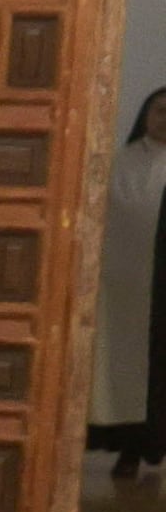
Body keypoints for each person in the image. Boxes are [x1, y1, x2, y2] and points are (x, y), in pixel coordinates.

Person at [100, 85, 164, 484]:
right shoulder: (119, 163)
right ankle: (129, 450)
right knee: (128, 374)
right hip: (127, 287)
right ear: (145, 114)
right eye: (160, 109)